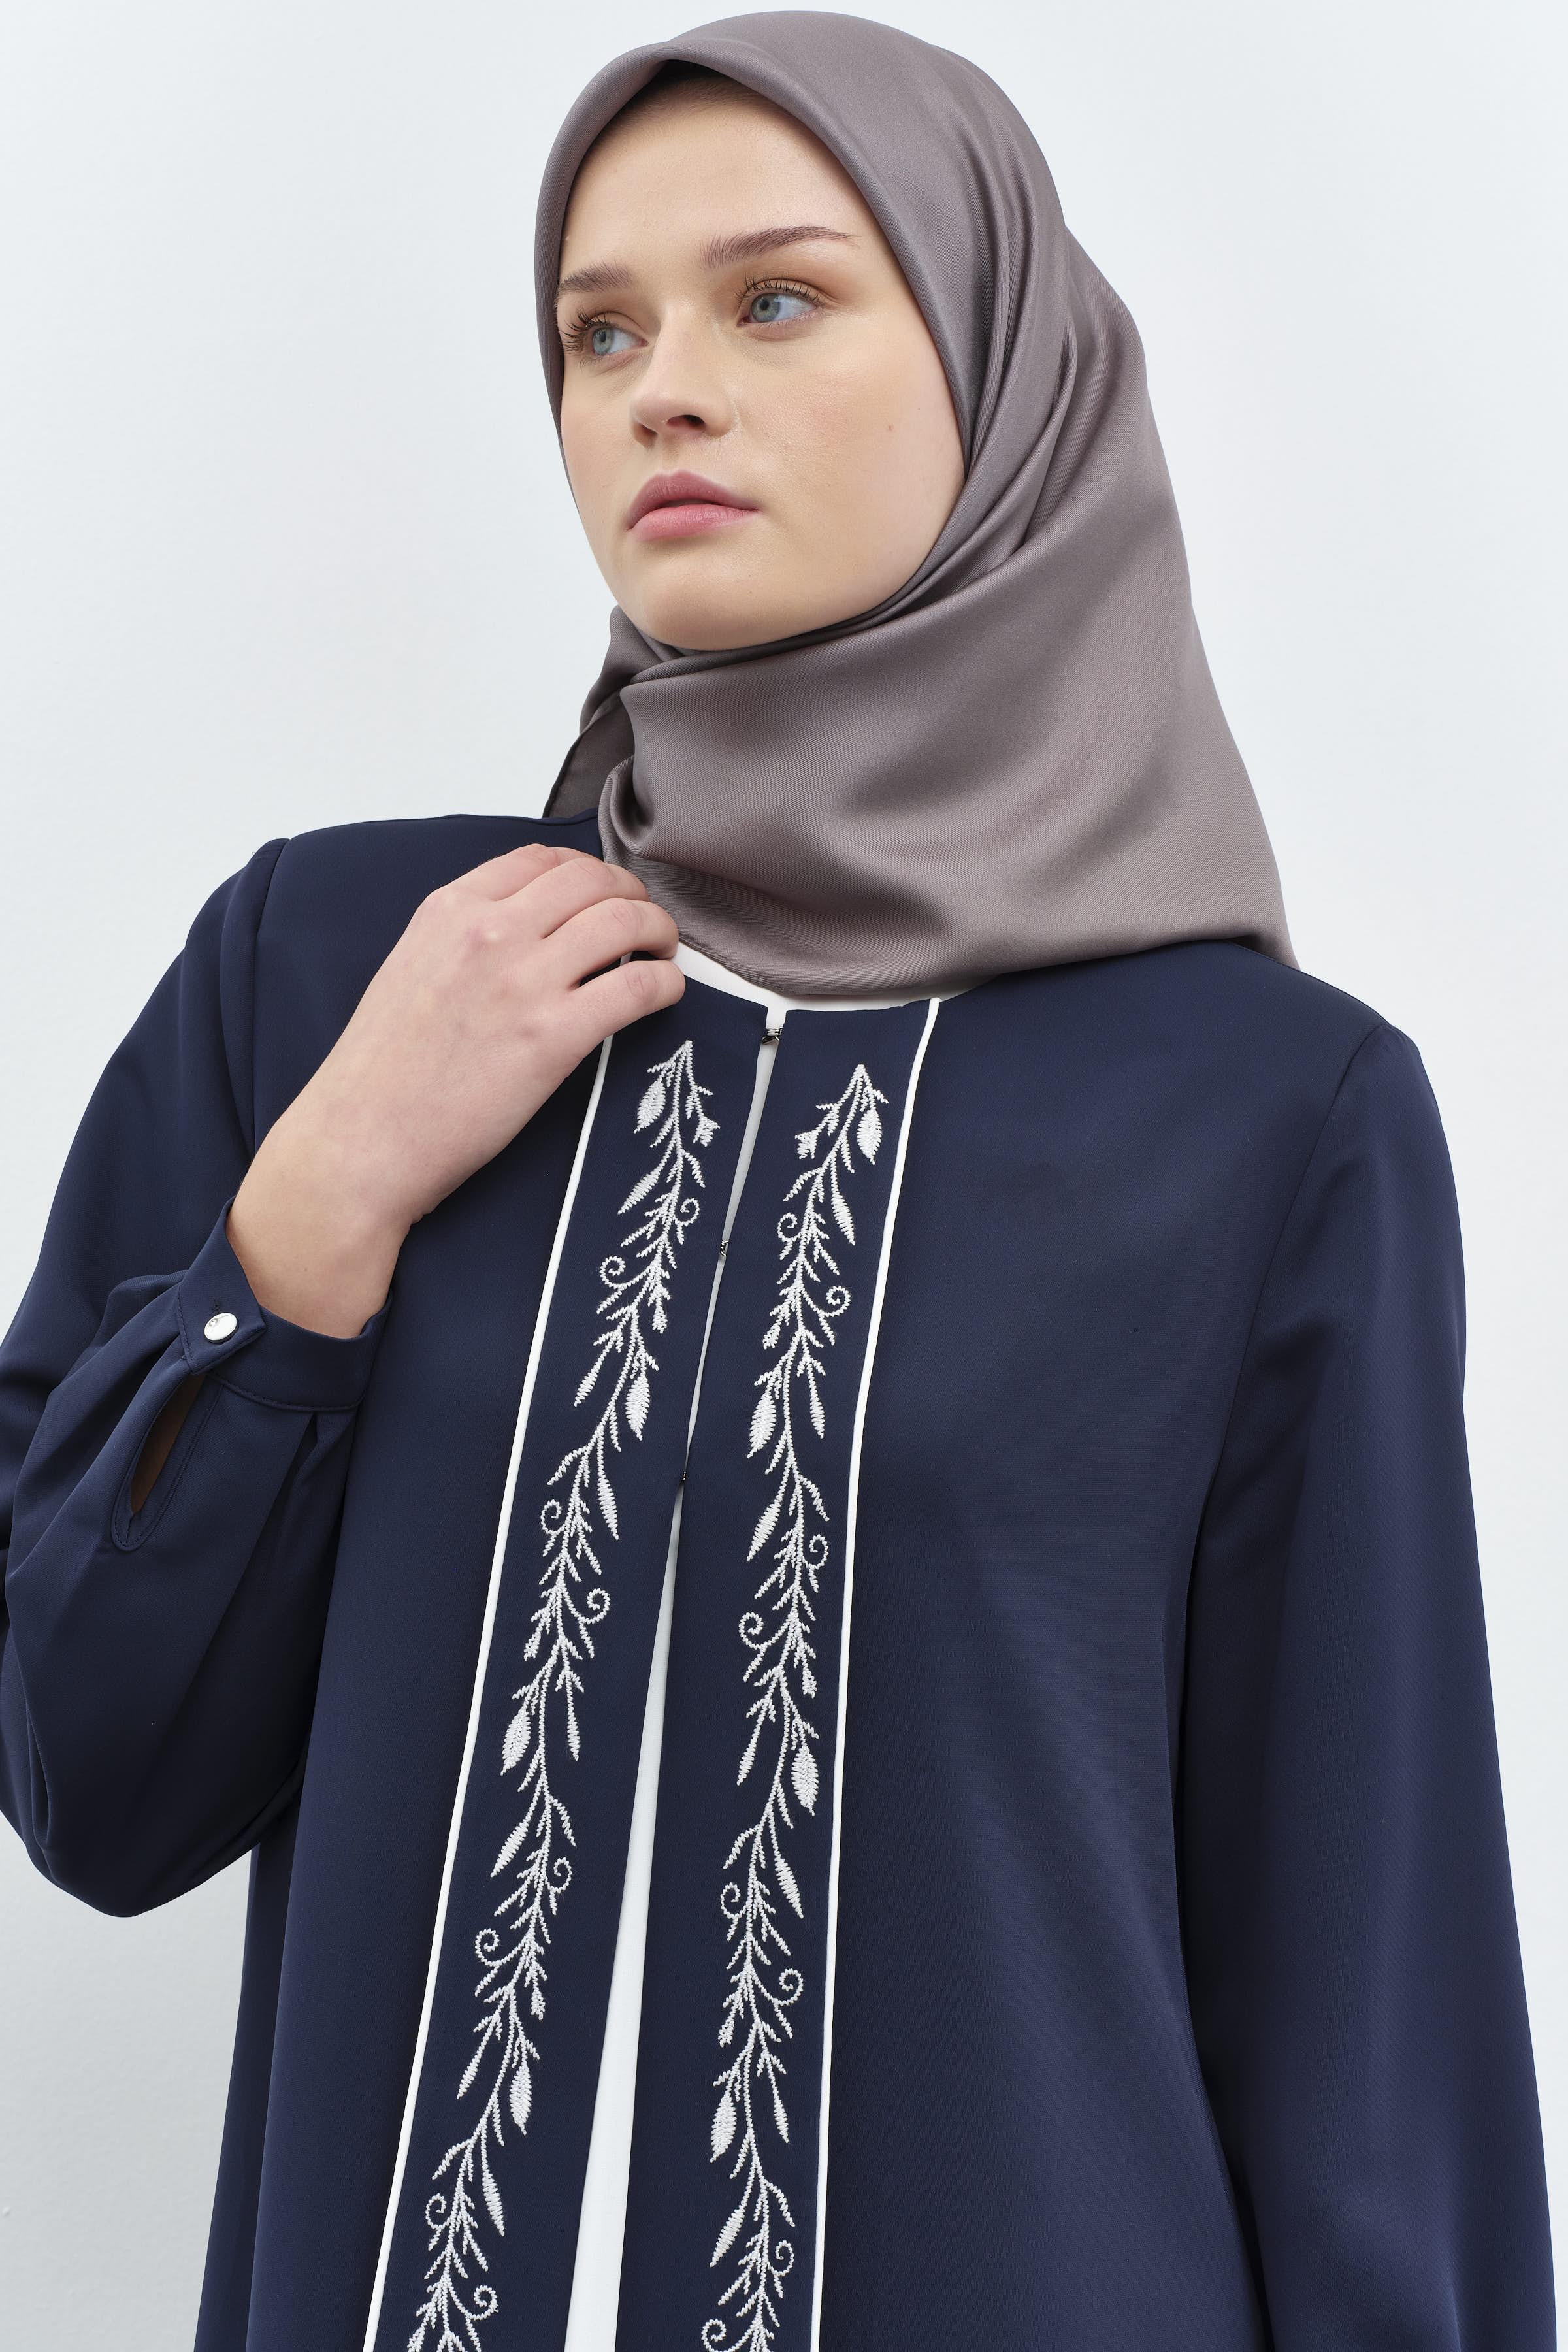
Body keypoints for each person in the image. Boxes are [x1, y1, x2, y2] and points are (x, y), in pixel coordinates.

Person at [0, 13, 1554, 2351]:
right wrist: (305, 1222)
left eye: (779, 299)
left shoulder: (1265, 1118)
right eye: (599, 331)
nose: (665, 392)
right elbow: (89, 1780)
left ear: (1002, 370)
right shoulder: (334, 969)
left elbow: (1367, 2014)